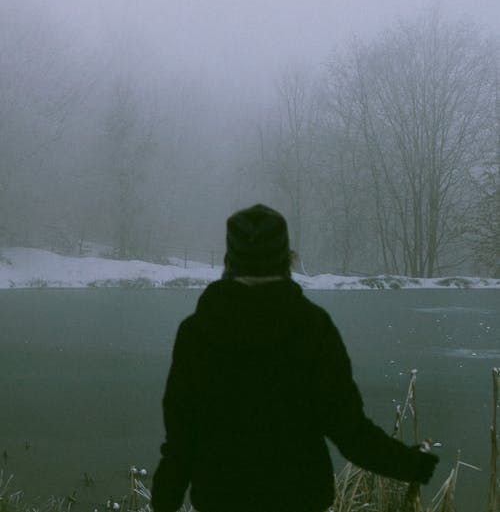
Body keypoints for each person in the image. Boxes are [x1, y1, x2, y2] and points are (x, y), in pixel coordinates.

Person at [151, 204, 438, 512]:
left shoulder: (197, 333)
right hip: (300, 499)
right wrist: (412, 465)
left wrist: (164, 503)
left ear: (229, 259)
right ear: (286, 257)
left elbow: (181, 443)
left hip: (221, 499)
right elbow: (350, 431)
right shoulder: (313, 328)